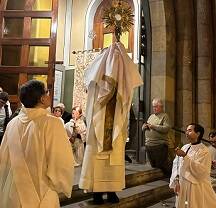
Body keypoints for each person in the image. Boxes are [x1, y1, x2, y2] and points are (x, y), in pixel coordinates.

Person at [78, 42, 143, 204]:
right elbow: (100, 92)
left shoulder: (118, 70)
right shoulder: (99, 71)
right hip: (99, 119)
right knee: (97, 158)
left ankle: (112, 190)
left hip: (116, 120)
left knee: (114, 159)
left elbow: (124, 89)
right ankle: (97, 193)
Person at [0, 80, 74, 208]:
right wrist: (59, 185)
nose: (49, 95)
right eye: (47, 92)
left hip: (13, 192)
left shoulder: (12, 124)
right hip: (41, 192)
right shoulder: (52, 123)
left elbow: (3, 160)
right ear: (42, 99)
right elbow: (61, 162)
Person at [169, 123, 216, 208]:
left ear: (198, 134)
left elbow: (201, 170)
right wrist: (176, 181)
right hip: (182, 185)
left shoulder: (204, 151)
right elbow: (176, 165)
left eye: (189, 130)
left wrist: (185, 156)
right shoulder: (184, 147)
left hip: (195, 186)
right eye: (186, 130)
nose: (186, 132)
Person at [142, 98, 172, 176]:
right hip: (149, 144)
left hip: (159, 145)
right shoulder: (151, 116)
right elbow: (144, 127)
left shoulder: (165, 116)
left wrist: (153, 126)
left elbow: (166, 128)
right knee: (154, 166)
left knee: (162, 165)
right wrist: (144, 126)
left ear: (161, 107)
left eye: (156, 106)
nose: (154, 108)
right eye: (153, 106)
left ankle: (171, 180)